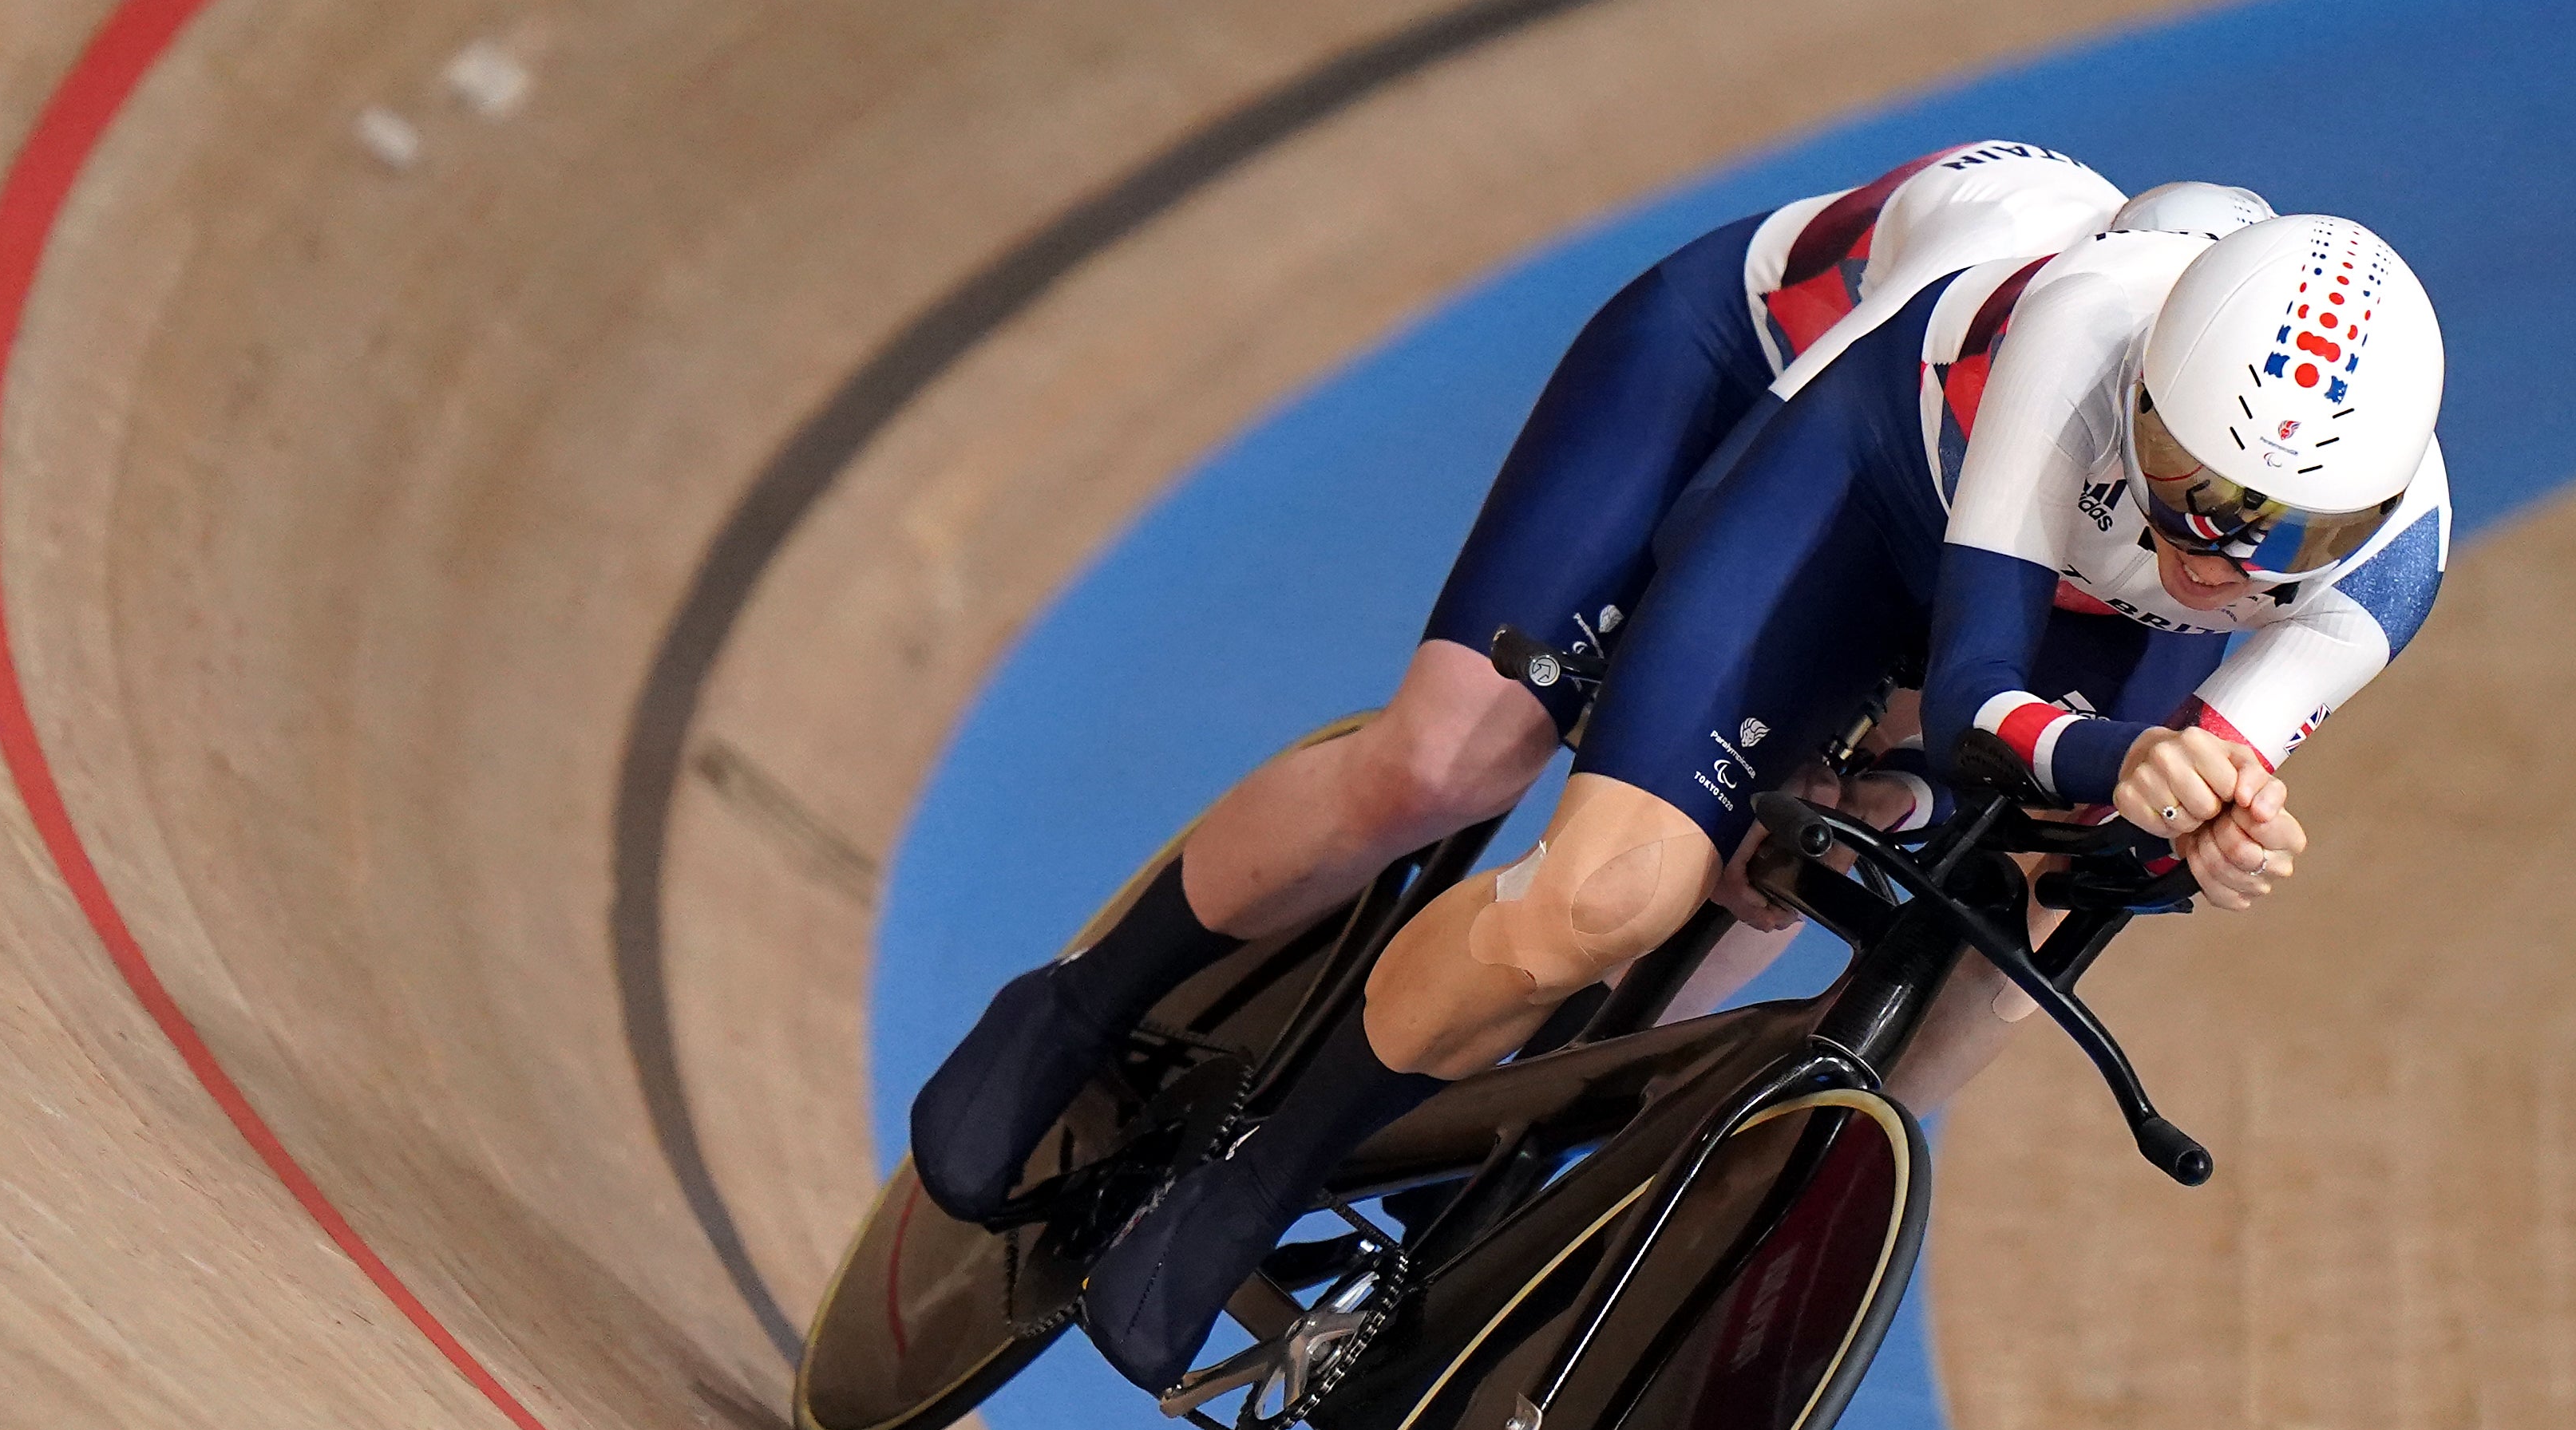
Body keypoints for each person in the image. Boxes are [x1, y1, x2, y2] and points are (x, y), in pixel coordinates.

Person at [1070, 205, 2454, 1394]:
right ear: (2144, 392)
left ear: (2369, 516)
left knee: (1990, 965)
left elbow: (2197, 769)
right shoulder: (2090, 318)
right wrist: (2128, 768)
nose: (2218, 555)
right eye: (2189, 487)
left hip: (2092, 629)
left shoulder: (2394, 564)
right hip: (1874, 495)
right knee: (1607, 900)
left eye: (2282, 534)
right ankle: (1255, 1164)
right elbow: (1979, 687)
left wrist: (2210, 833)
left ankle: (1645, 1270)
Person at [904, 139, 2129, 1225]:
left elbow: (1985, 711)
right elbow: (1746, 506)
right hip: (1735, 382)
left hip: (1900, 543)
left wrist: (1877, 794)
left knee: (1784, 867)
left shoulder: (2178, 536)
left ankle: (1473, 1141)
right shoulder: (2002, 301)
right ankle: (1075, 1005)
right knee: (1449, 761)